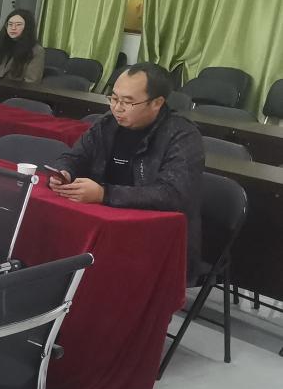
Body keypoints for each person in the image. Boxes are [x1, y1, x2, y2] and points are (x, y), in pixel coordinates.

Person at [50, 62, 204, 281]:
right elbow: (75, 157)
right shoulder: (107, 124)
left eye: (128, 102)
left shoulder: (182, 135)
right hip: (107, 223)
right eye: (113, 98)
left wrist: (104, 194)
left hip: (154, 238)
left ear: (157, 103)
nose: (117, 108)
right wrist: (64, 172)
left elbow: (172, 194)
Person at [0, 9, 45, 83]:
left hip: (16, 90)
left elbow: (31, 82)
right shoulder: (2, 45)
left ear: (27, 27)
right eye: (10, 24)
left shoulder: (36, 51)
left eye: (18, 24)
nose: (13, 28)